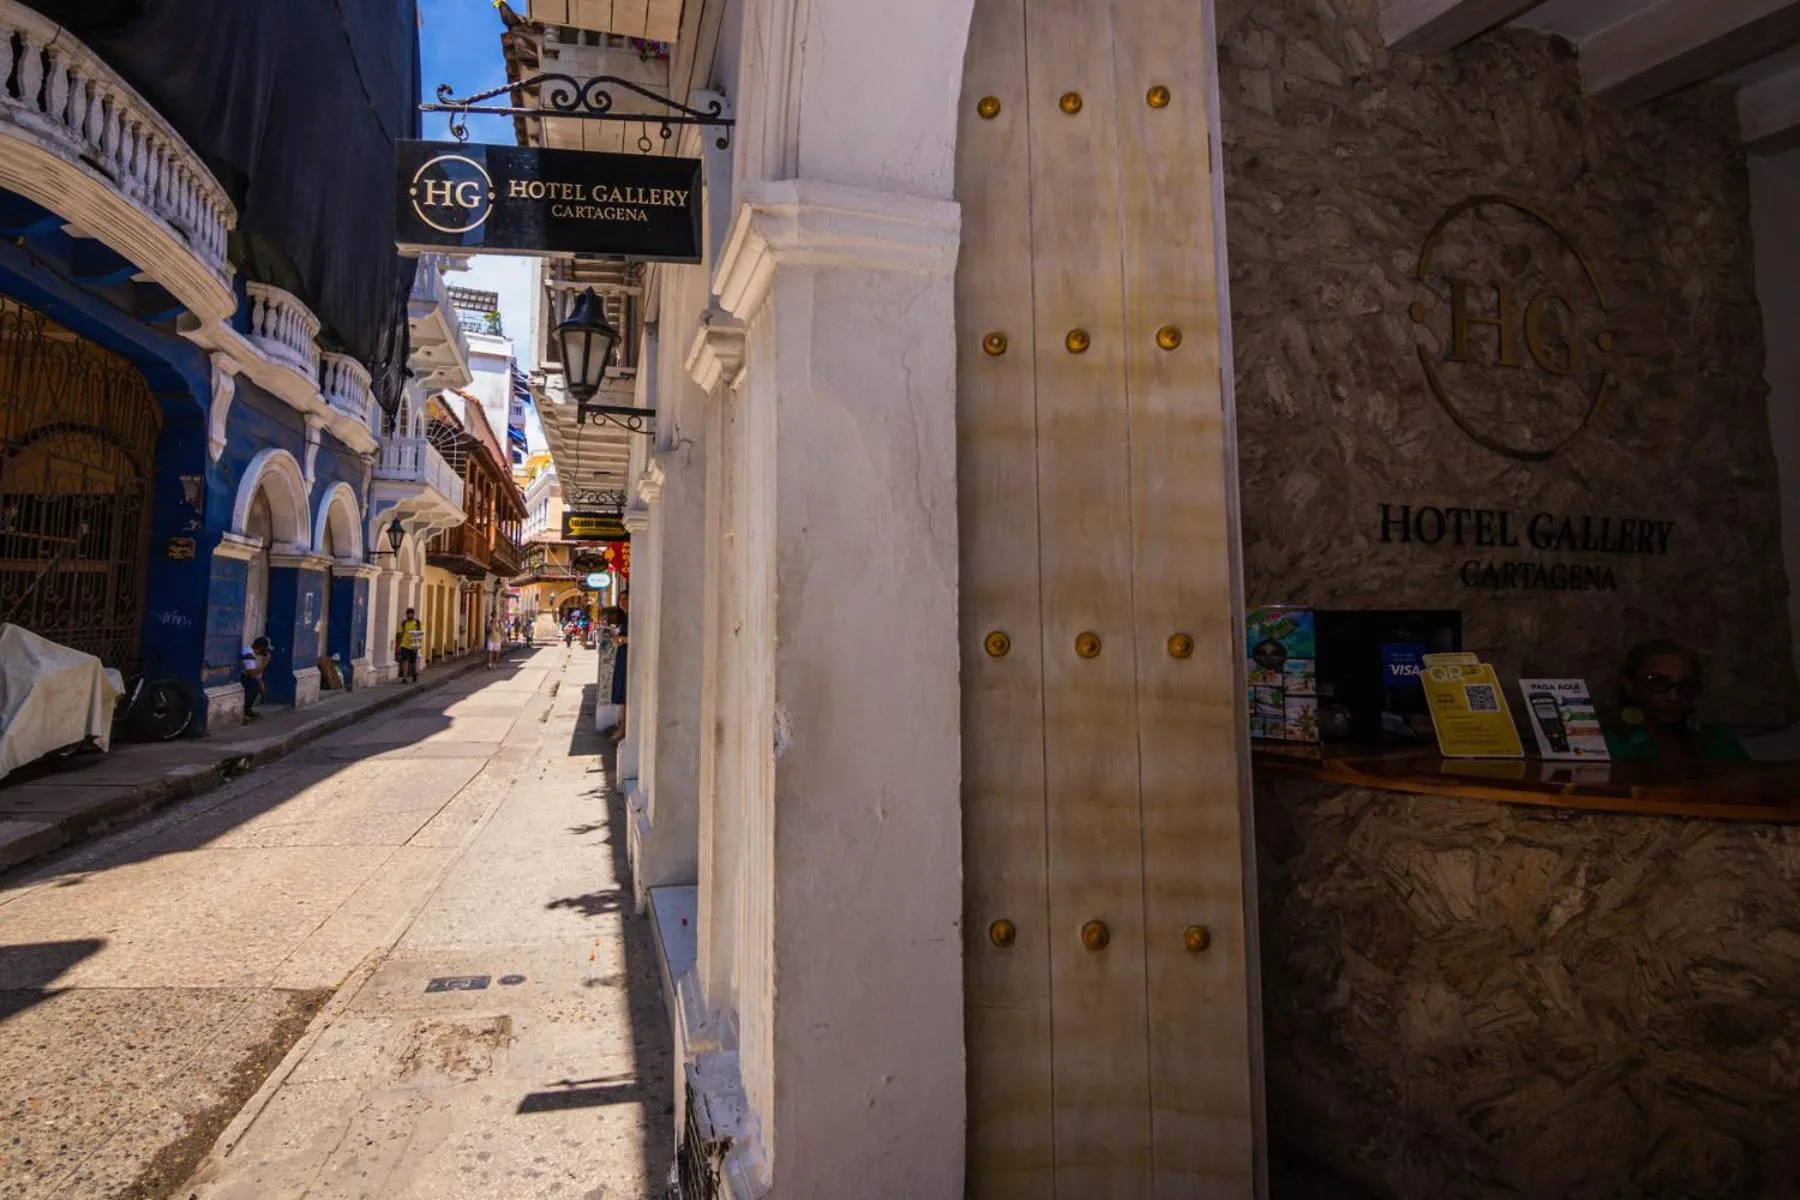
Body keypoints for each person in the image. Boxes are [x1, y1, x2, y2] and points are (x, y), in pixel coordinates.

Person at [1605, 638, 1748, 762]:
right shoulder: (1607, 741)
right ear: (1630, 684)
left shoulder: (1716, 740)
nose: (1673, 696)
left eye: (1686, 684)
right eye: (1657, 682)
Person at [608, 593, 629, 742]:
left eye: (625, 599)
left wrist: (621, 639)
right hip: (623, 654)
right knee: (622, 692)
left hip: (628, 656)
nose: (622, 602)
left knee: (625, 692)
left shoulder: (631, 616)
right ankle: (622, 726)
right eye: (620, 599)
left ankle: (625, 727)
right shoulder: (624, 617)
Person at [240, 636, 271, 720]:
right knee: (254, 685)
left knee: (257, 683)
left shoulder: (249, 651)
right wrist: (265, 663)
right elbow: (251, 673)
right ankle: (245, 710)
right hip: (240, 677)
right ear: (261, 648)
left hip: (242, 675)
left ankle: (247, 710)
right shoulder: (249, 654)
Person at [395, 607, 424, 683]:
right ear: (406, 614)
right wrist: (399, 644)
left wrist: (417, 645)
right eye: (408, 614)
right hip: (404, 645)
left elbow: (420, 633)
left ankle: (414, 674)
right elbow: (400, 633)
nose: (409, 615)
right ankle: (404, 678)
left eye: (411, 614)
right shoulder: (404, 623)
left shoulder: (417, 623)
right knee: (405, 660)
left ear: (413, 614)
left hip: (413, 645)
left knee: (413, 661)